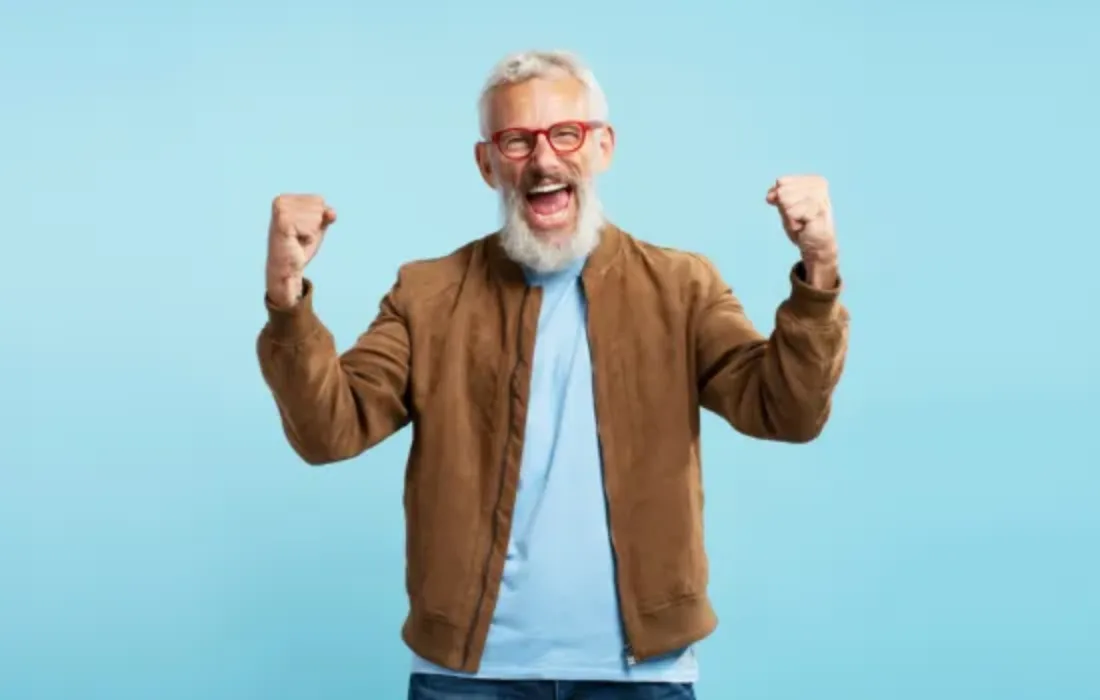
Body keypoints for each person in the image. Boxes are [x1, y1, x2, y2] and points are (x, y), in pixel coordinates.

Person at [257, 50, 849, 700]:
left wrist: (818, 271)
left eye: (565, 133)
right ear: (487, 164)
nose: (543, 161)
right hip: (469, 679)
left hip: (641, 677)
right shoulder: (428, 295)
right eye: (516, 140)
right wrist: (287, 295)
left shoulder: (682, 287)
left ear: (601, 146)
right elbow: (327, 431)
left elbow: (787, 411)